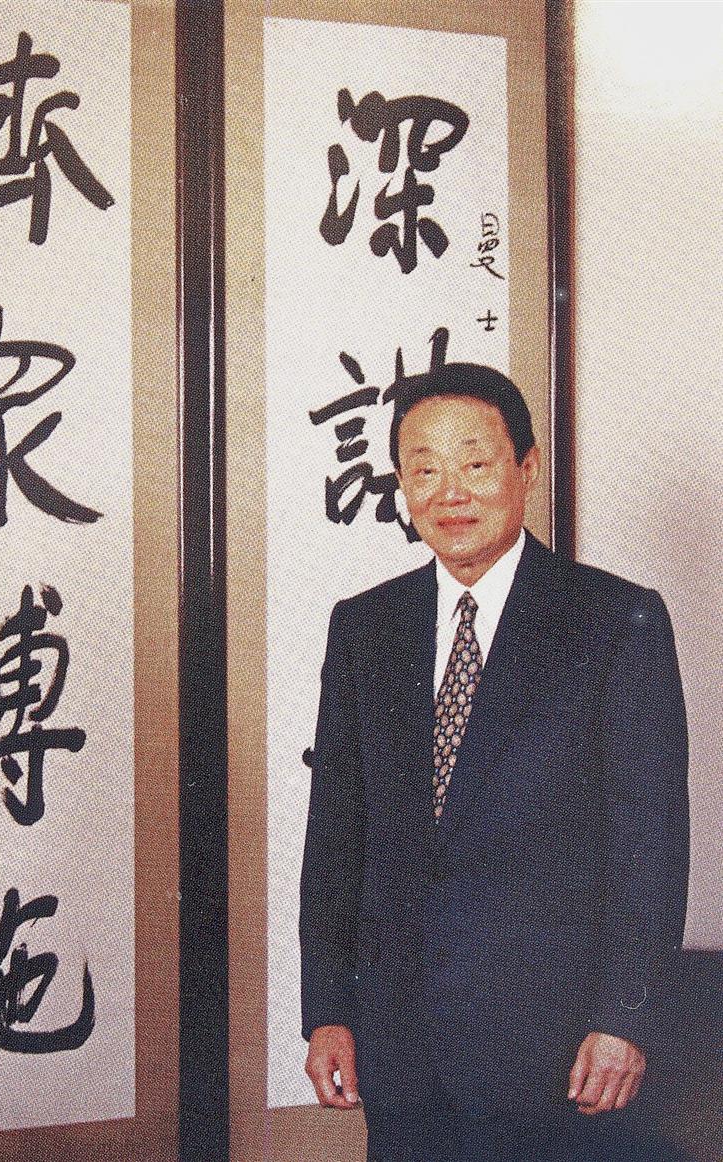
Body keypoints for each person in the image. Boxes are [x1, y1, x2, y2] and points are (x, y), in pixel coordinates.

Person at [299, 362, 690, 1161]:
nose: (450, 493)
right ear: (402, 486)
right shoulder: (366, 628)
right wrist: (328, 1009)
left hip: (558, 1052)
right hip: (401, 1049)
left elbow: (651, 844)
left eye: (475, 464)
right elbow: (336, 834)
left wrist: (624, 1018)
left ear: (527, 468)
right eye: (424, 470)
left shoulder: (615, 621)